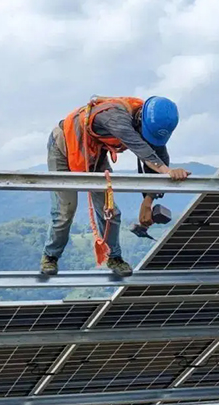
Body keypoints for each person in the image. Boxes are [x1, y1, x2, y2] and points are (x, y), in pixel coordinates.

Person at [40, 96, 190, 277]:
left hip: (95, 154)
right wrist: (168, 172)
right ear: (139, 119)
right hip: (63, 148)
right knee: (65, 211)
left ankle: (114, 257)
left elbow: (158, 156)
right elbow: (143, 151)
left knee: (110, 211)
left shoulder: (150, 124)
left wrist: (148, 200)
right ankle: (50, 257)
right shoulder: (114, 117)